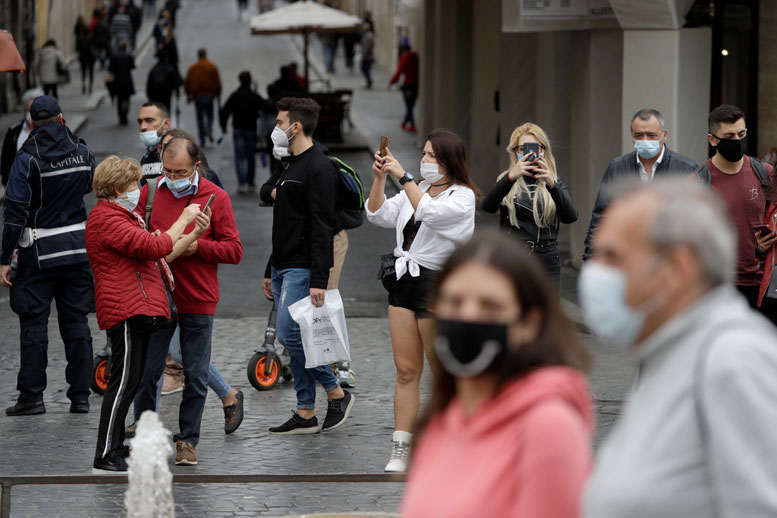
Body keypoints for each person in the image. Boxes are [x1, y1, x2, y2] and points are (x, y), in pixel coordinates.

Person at [581, 178, 777, 516]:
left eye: (612, 256)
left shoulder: (733, 359)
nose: (595, 271)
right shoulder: (667, 354)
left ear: (676, 268)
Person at [400, 233, 593, 517]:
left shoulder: (548, 426)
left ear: (529, 323)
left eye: (490, 306)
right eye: (454, 302)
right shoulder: (442, 418)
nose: (468, 316)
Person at [86, 156, 209, 473]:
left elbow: (157, 247)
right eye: (132, 184)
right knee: (123, 383)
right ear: (115, 188)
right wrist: (183, 219)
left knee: (132, 381)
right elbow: (152, 248)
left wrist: (191, 234)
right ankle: (105, 452)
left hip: (134, 309)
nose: (138, 190)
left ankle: (115, 446)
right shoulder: (107, 219)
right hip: (125, 310)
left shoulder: (122, 216)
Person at [367, 129, 478, 472]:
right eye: (425, 154)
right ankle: (401, 446)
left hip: (437, 284)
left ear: (449, 161)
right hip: (403, 282)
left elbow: (430, 214)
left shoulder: (462, 197)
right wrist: (380, 178)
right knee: (406, 370)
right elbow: (376, 214)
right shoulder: (416, 191)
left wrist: (404, 176)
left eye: (433, 156)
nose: (426, 160)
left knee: (442, 371)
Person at [133, 135, 242, 465]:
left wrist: (200, 247)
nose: (173, 179)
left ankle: (187, 441)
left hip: (197, 297)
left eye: (180, 172)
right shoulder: (150, 191)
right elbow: (134, 233)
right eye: (167, 171)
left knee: (195, 374)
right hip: (156, 297)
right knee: (147, 373)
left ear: (196, 167)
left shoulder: (216, 197)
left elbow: (234, 250)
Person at [261, 97, 355, 435]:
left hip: (303, 267)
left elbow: (321, 227)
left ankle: (335, 391)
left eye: (279, 121)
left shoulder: (319, 167)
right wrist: (270, 269)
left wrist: (320, 278)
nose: (275, 128)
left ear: (295, 126)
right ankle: (304, 411)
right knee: (297, 334)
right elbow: (284, 223)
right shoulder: (289, 163)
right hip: (283, 264)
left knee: (289, 333)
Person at [0, 96, 96, 416]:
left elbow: (14, 212)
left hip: (38, 255)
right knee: (77, 324)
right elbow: (87, 186)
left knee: (34, 327)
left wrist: (4, 258)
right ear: (61, 118)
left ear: (31, 124)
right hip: (78, 252)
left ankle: (32, 397)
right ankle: (80, 396)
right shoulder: (83, 152)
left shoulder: (27, 159)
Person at [582, 108, 697, 260]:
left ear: (664, 136)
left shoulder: (685, 169)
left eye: (651, 135)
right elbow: (602, 216)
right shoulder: (617, 167)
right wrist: (591, 258)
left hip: (668, 259)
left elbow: (694, 221)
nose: (645, 140)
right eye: (639, 135)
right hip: (628, 257)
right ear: (632, 138)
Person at [697, 104, 775, 309]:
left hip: (762, 283)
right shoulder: (697, 183)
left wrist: (766, 245)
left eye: (742, 134)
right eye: (729, 136)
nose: (737, 141)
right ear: (712, 140)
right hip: (718, 285)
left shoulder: (765, 174)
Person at [481, 123, 577, 285]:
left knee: (546, 309)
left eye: (534, 148)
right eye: (522, 149)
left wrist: (551, 184)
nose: (529, 153)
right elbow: (488, 206)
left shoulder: (554, 182)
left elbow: (570, 216)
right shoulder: (507, 180)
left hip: (547, 258)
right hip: (513, 255)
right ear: (515, 152)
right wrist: (511, 177)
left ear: (543, 151)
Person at [219, 71, 274, 194]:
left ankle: (241, 183)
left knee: (239, 157)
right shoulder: (254, 96)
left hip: (238, 129)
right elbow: (267, 107)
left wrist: (223, 126)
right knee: (251, 157)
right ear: (249, 81)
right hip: (251, 130)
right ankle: (250, 182)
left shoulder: (234, 95)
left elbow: (225, 111)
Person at [1, 89, 43, 192]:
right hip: (19, 189)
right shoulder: (14, 131)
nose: (31, 114)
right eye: (29, 110)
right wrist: (7, 182)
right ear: (24, 111)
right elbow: (6, 159)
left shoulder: (46, 130)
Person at [183, 48, 222, 146]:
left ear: (198, 56)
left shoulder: (193, 68)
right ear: (205, 55)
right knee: (210, 115)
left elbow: (187, 83)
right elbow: (217, 83)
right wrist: (218, 94)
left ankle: (202, 139)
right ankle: (208, 127)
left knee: (200, 119)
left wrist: (188, 95)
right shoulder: (212, 67)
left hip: (198, 97)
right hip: (209, 96)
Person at [389, 44, 419, 132]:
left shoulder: (404, 57)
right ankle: (404, 123)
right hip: (416, 84)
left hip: (407, 84)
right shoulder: (416, 57)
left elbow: (399, 71)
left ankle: (412, 125)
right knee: (411, 105)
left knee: (409, 105)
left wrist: (392, 82)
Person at [108, 41, 135, 126]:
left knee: (119, 100)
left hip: (117, 81)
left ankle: (121, 118)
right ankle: (125, 116)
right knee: (126, 99)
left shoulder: (114, 57)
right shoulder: (129, 56)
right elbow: (133, 66)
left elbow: (110, 68)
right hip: (127, 81)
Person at [75, 16, 95, 94]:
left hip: (83, 57)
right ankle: (90, 85)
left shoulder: (81, 40)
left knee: (83, 72)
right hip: (91, 57)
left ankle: (83, 84)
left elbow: (78, 49)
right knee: (91, 72)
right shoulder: (91, 38)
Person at [359, 23, 374, 89]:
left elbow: (366, 48)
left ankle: (369, 81)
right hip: (368, 56)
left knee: (364, 68)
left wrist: (363, 56)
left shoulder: (367, 37)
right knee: (365, 69)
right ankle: (369, 81)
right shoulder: (368, 36)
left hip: (367, 57)